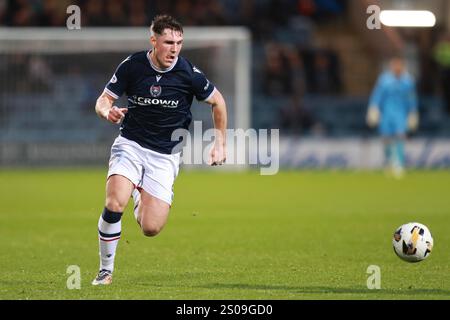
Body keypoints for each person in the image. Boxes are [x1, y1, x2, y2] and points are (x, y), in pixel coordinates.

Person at [92, 15, 227, 285]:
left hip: (165, 155)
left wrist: (220, 142)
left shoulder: (188, 73)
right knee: (114, 201)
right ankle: (105, 270)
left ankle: (141, 194)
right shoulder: (133, 66)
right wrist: (107, 112)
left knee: (151, 228)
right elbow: (103, 100)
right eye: (168, 42)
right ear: (153, 41)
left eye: (179, 42)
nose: (174, 49)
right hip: (130, 144)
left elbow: (218, 101)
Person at [366, 57, 418, 178]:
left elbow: (412, 98)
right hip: (386, 113)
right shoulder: (384, 80)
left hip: (401, 113)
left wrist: (413, 112)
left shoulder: (408, 81)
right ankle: (389, 161)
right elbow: (377, 95)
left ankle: (399, 164)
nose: (397, 68)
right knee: (386, 139)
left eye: (399, 66)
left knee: (400, 137)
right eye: (395, 66)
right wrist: (373, 108)